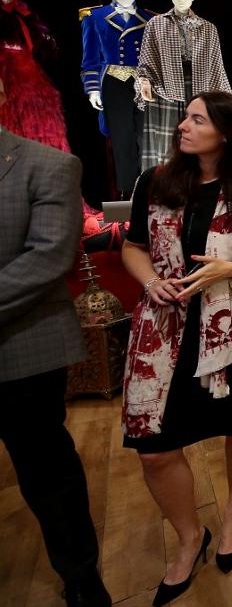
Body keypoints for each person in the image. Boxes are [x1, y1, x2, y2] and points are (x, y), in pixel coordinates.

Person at [120, 92, 232, 605]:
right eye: (186, 118)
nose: (183, 126)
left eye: (197, 119)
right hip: (161, 325)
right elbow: (133, 247)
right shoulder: (155, 182)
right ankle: (191, 536)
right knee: (153, 449)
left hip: (227, 325)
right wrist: (151, 282)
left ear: (227, 133)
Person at [0, 76, 111, 607]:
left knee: (44, 469)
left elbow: (48, 256)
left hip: (21, 346)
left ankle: (80, 574)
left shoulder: (48, 165)